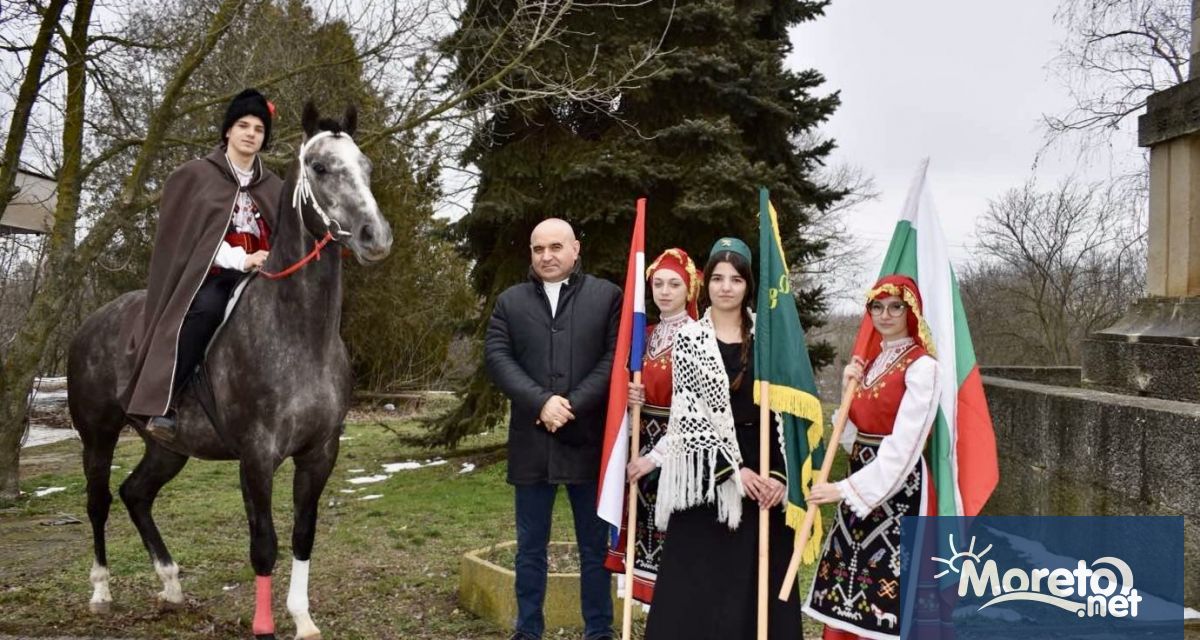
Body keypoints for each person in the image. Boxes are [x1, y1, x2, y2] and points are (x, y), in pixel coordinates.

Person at [639, 238, 804, 640]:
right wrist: (734, 471)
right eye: (717, 278)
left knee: (757, 588)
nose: (726, 287)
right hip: (709, 472)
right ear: (706, 283)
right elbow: (690, 417)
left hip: (765, 470)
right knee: (700, 590)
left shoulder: (769, 338)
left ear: (748, 285)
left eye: (735, 279)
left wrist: (779, 476)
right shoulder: (690, 340)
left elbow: (788, 413)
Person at [484, 218, 622, 640]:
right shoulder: (510, 302)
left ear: (575, 249)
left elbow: (614, 359)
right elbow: (498, 357)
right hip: (532, 444)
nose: (546, 256)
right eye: (538, 248)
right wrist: (541, 402)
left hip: (588, 443)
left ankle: (598, 631)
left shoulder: (607, 296)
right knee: (529, 549)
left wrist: (571, 404)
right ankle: (528, 630)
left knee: (594, 549)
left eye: (556, 247)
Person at [119, 88, 283, 441]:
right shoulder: (196, 176)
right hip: (213, 277)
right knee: (206, 310)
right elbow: (190, 242)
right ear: (228, 130)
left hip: (264, 277)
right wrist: (242, 258)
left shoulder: (274, 187)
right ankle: (168, 402)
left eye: (259, 128)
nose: (251, 133)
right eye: (243, 125)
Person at [802, 274, 942, 640]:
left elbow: (906, 447)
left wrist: (843, 489)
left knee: (889, 597)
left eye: (895, 307)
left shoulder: (923, 367)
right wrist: (847, 391)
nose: (885, 315)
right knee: (848, 586)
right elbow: (852, 439)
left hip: (900, 490)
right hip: (859, 482)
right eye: (877, 307)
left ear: (911, 312)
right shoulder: (872, 363)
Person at [604, 248, 702, 603]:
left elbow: (697, 411)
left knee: (674, 538)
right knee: (642, 533)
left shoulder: (700, 337)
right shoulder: (642, 335)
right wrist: (630, 399)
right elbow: (623, 395)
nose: (664, 291)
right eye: (658, 283)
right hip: (641, 440)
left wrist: (655, 458)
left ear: (689, 289)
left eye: (674, 284)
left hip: (679, 449)